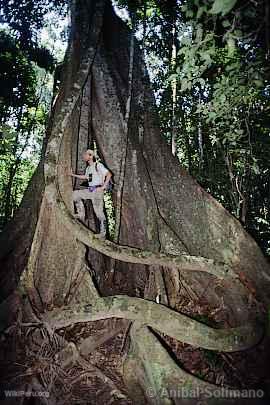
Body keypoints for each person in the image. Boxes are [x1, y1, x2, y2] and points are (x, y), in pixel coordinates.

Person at [70, 149, 112, 238]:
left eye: (86, 155)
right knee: (75, 194)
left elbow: (109, 174)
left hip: (97, 192)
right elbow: (85, 177)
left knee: (99, 213)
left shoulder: (98, 165)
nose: (84, 156)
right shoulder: (88, 168)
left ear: (90, 156)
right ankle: (81, 213)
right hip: (90, 190)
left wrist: (104, 186)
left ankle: (103, 233)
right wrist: (72, 175)